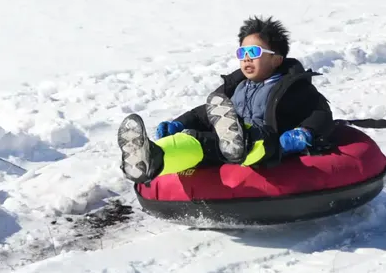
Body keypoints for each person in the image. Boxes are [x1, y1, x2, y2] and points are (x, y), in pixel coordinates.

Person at [118, 15, 336, 184]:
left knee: (257, 140)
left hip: (269, 145)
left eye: (254, 51)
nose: (247, 58)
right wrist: (180, 123)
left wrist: (304, 132)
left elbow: (320, 113)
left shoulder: (291, 88)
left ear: (277, 59)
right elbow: (204, 112)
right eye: (242, 53)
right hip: (225, 143)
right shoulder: (237, 87)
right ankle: (152, 157)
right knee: (197, 140)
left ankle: (238, 143)